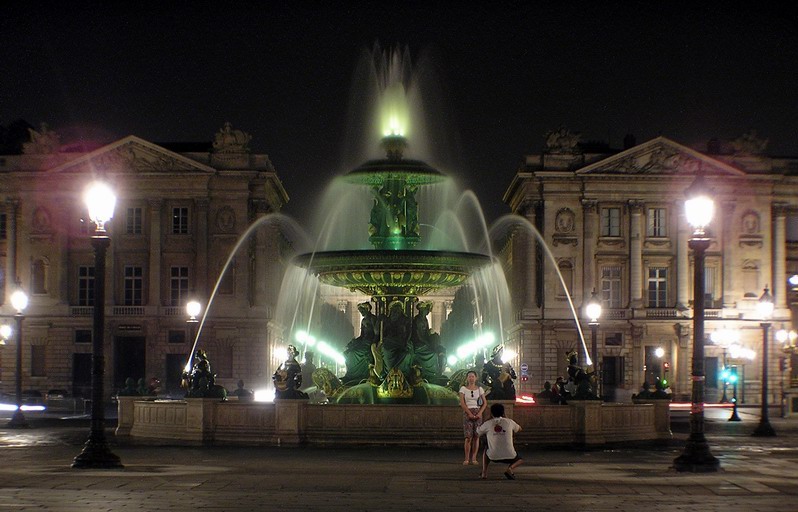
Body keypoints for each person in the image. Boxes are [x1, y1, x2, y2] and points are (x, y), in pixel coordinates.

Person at [477, 403, 524, 480]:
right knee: (520, 459)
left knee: (486, 448)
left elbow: (478, 432)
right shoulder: (509, 422)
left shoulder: (488, 423)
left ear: (491, 413)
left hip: (493, 456)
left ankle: (484, 472)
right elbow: (519, 429)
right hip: (510, 456)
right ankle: (510, 468)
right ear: (503, 412)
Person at [458, 370, 487, 465]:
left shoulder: (480, 389)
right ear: (467, 378)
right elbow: (462, 402)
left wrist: (480, 413)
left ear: (476, 378)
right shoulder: (463, 389)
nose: (471, 378)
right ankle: (466, 458)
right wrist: (469, 413)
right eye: (469, 376)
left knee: (476, 436)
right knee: (468, 437)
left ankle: (474, 458)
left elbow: (484, 402)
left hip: (478, 411)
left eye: (473, 376)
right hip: (467, 411)